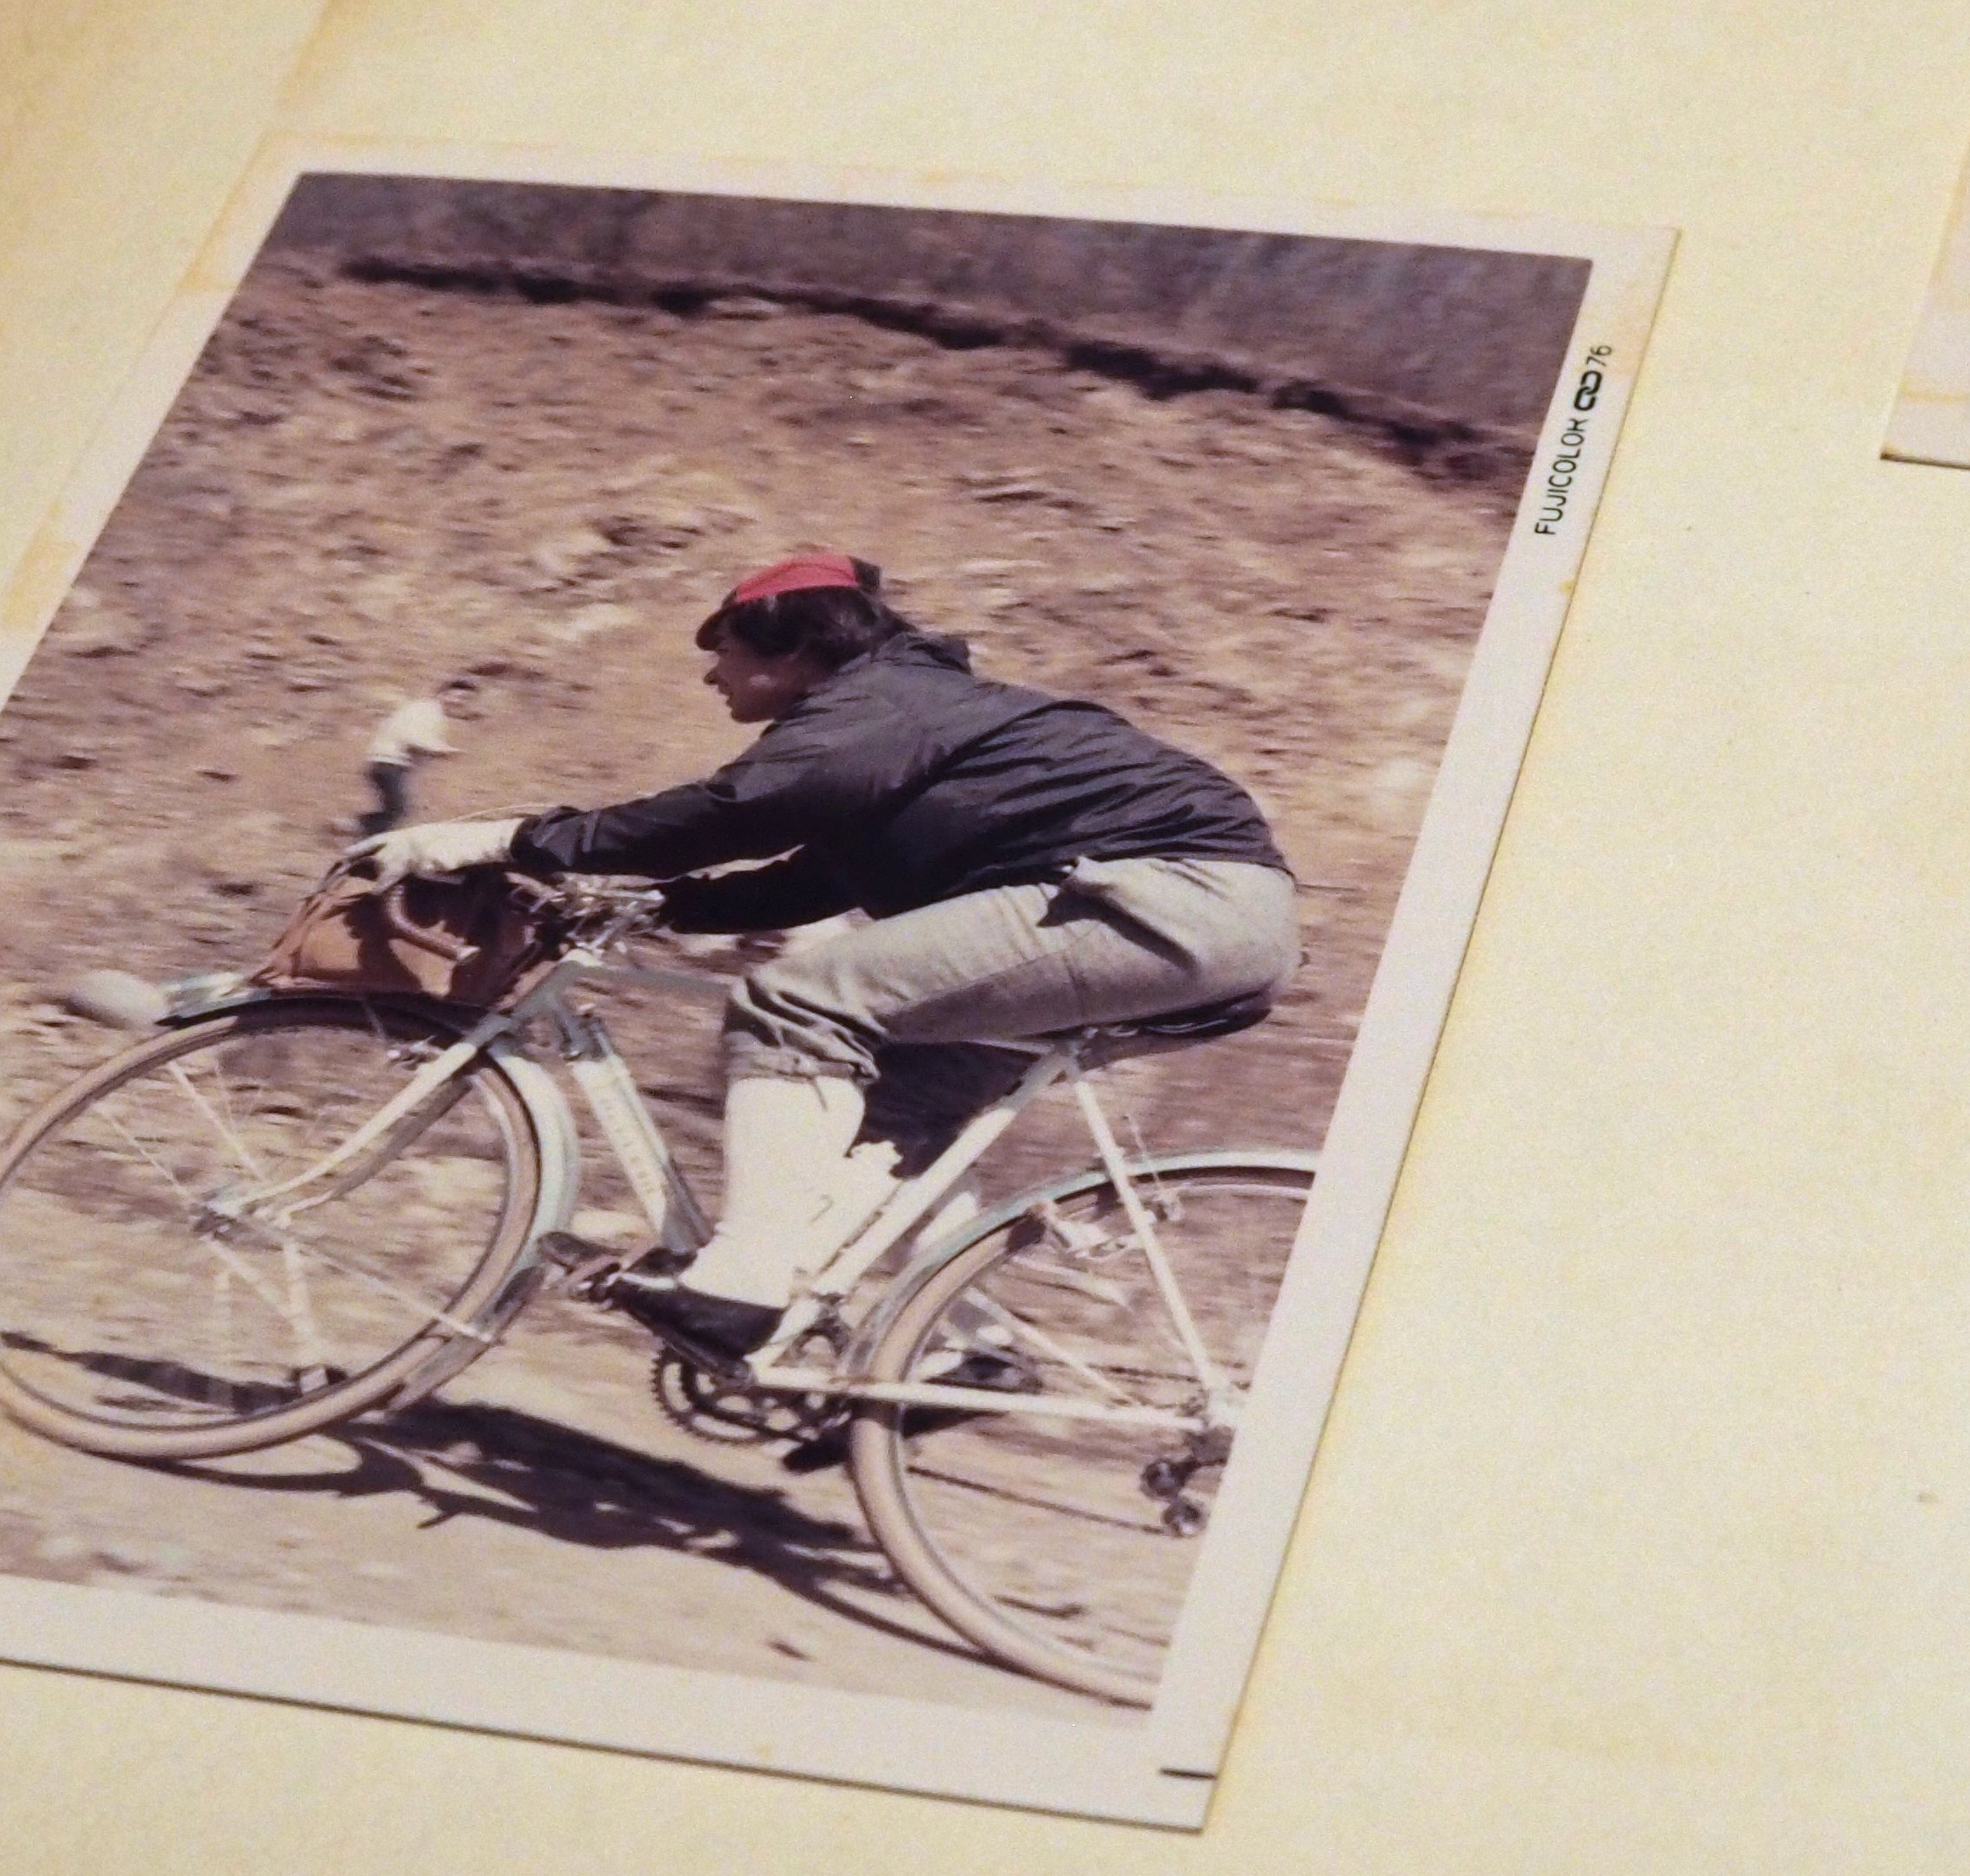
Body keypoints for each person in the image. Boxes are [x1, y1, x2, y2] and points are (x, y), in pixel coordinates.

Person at [344, 552, 1298, 1369]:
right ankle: (958, 1344)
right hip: (1187, 914)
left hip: (1165, 899)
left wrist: (509, 838)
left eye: (720, 647)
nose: (709, 673)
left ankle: (743, 1283)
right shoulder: (903, 718)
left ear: (793, 647)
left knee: (794, 1003)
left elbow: (730, 811)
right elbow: (810, 879)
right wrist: (659, 907)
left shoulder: (880, 704)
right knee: (892, 1119)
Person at [356, 677, 475, 836]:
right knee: (399, 809)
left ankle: (361, 830)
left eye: (465, 699)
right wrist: (442, 750)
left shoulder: (430, 712)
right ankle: (361, 835)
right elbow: (413, 737)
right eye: (458, 697)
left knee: (397, 809)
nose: (459, 702)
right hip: (389, 764)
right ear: (443, 694)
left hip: (388, 764)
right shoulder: (426, 711)